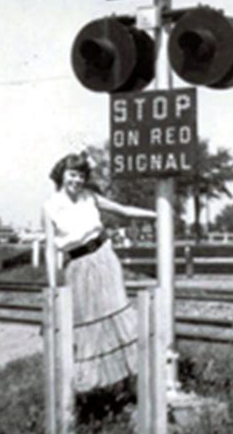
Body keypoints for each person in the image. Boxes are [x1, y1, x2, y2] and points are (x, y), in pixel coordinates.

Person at [43, 150, 156, 394]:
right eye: (72, 175)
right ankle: (95, 382)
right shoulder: (50, 207)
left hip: (104, 257)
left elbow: (123, 210)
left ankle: (136, 380)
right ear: (62, 175)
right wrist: (53, 287)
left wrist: (156, 214)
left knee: (117, 311)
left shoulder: (90, 197)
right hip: (77, 266)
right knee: (88, 321)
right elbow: (51, 250)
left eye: (81, 176)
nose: (77, 181)